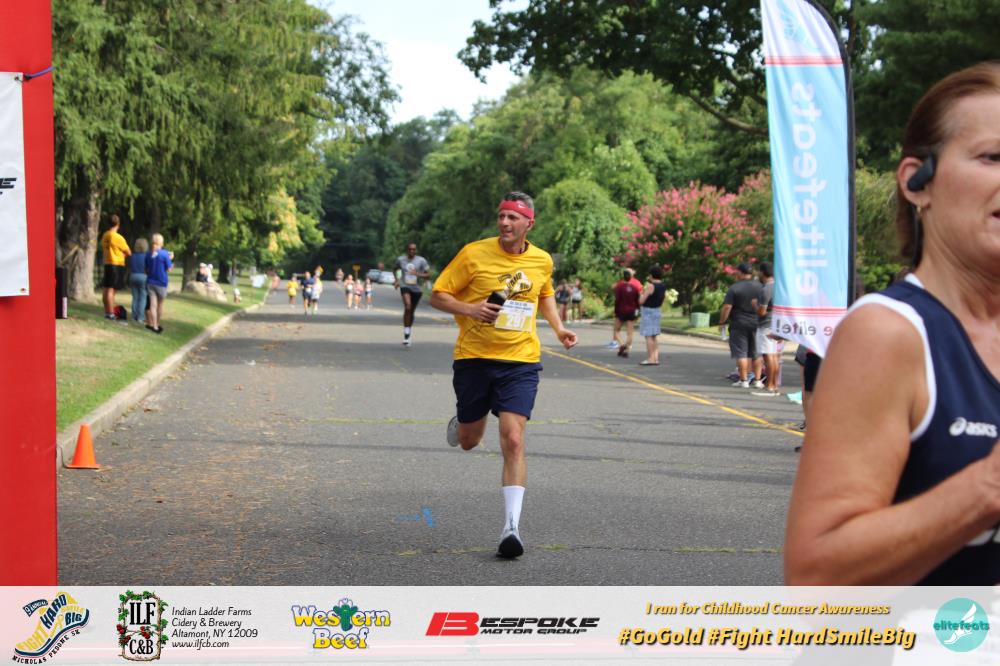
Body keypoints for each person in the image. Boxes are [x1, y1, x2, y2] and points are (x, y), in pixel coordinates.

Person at [785, 63, 1000, 584]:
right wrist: (987, 488)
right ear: (916, 181)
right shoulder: (890, 334)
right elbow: (816, 575)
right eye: (994, 157)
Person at [430, 192, 578, 559]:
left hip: (520, 361)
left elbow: (544, 294)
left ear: (530, 224)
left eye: (513, 217)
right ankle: (463, 420)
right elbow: (438, 295)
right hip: (474, 358)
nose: (505, 223)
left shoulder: (541, 259)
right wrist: (470, 309)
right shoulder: (473, 253)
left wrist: (559, 328)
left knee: (513, 439)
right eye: (501, 216)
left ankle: (511, 527)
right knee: (469, 440)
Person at [718, 262, 761, 388]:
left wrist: (722, 321)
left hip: (739, 323)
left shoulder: (735, 288)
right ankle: (758, 380)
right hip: (757, 323)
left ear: (740, 272)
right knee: (756, 353)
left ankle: (744, 380)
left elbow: (727, 307)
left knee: (741, 353)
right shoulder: (760, 286)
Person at [752, 262, 782, 396]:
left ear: (763, 273)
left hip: (766, 325)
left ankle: (769, 385)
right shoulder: (780, 287)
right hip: (778, 324)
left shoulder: (766, 289)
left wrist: (754, 305)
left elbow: (762, 312)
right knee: (774, 356)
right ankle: (774, 385)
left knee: (768, 356)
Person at [394, 242, 431, 346]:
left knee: (412, 311)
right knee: (408, 306)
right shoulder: (401, 260)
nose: (411, 251)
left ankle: (408, 331)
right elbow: (395, 268)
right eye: (410, 249)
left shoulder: (421, 260)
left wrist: (417, 274)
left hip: (417, 288)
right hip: (404, 285)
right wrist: (397, 280)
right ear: (407, 250)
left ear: (416, 250)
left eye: (413, 249)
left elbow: (428, 275)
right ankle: (406, 334)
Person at [100, 214, 131, 320]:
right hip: (116, 264)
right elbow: (128, 252)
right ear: (118, 224)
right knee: (111, 290)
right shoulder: (118, 237)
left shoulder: (105, 235)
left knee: (106, 289)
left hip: (107, 263)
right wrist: (123, 255)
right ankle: (111, 313)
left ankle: (107, 312)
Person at [638, 265, 668, 366]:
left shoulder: (650, 286)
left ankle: (650, 358)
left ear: (651, 275)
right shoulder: (663, 286)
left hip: (648, 311)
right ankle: (655, 358)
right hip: (657, 310)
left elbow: (641, 301)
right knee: (654, 335)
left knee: (648, 336)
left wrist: (641, 294)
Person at [144, 233, 172, 334]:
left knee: (153, 305)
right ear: (161, 242)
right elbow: (169, 269)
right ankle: (157, 323)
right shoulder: (164, 254)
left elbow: (146, 270)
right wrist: (171, 259)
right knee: (160, 305)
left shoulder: (148, 254)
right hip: (161, 282)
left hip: (150, 281)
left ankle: (154, 325)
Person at [612, 268, 640, 358]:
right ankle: (627, 350)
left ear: (623, 276)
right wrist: (637, 313)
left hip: (621, 310)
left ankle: (622, 345)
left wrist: (615, 311)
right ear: (631, 277)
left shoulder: (619, 286)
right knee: (630, 332)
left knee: (616, 330)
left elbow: (617, 300)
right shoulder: (635, 288)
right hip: (632, 311)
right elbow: (637, 302)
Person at [128, 238, 149, 324]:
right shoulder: (146, 256)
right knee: (143, 298)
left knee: (135, 297)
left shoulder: (133, 256)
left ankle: (134, 316)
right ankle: (140, 317)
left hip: (133, 276)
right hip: (143, 276)